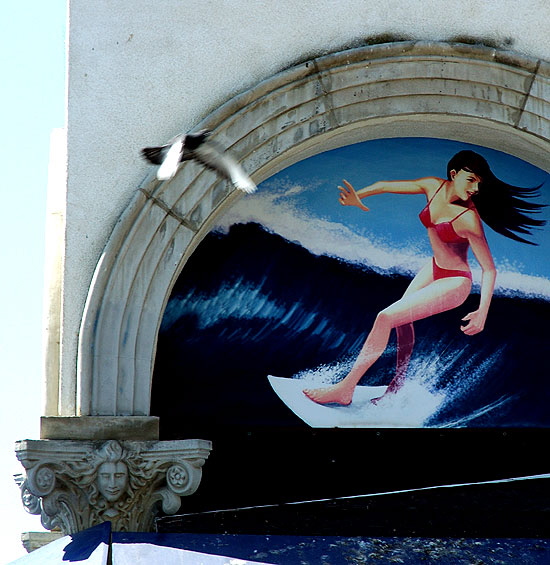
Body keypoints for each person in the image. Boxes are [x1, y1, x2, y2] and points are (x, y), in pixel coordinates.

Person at [303, 150, 545, 406]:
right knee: (400, 322)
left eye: (479, 184)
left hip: (455, 281)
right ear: (454, 174)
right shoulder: (433, 186)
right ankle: (395, 388)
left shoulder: (469, 218)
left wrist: (482, 311)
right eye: (471, 179)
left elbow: (489, 269)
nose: (475, 188)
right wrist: (358, 196)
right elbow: (386, 185)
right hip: (434, 268)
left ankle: (345, 389)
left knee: (384, 317)